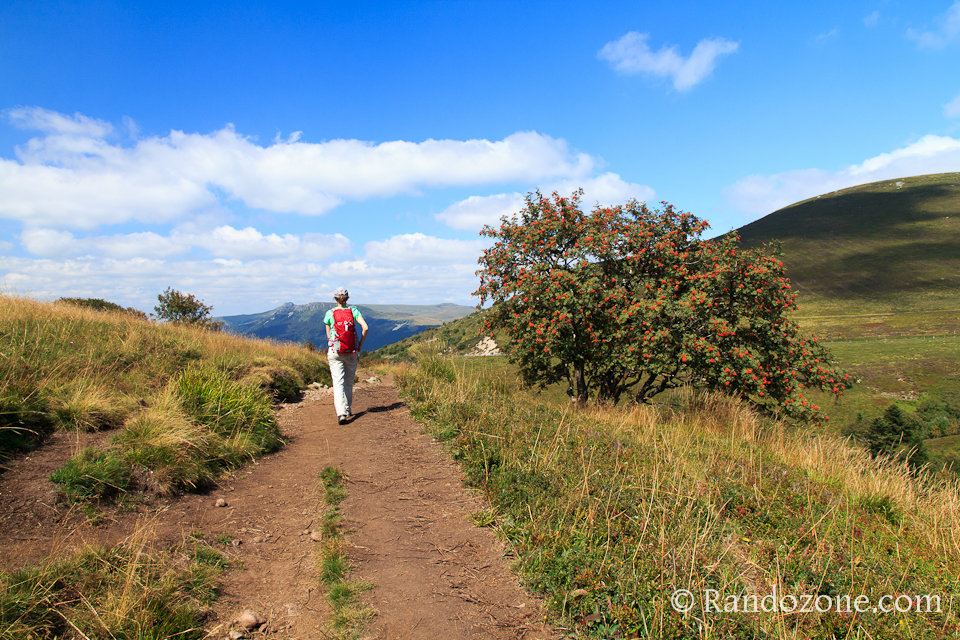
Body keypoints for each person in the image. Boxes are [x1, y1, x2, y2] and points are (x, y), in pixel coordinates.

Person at [324, 287, 369, 424]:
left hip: (335, 351)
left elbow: (328, 336)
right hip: (351, 351)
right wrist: (359, 344)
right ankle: (348, 408)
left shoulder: (330, 313)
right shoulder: (353, 311)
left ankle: (341, 414)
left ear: (335, 298)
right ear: (347, 298)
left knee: (338, 383)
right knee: (349, 382)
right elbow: (365, 328)